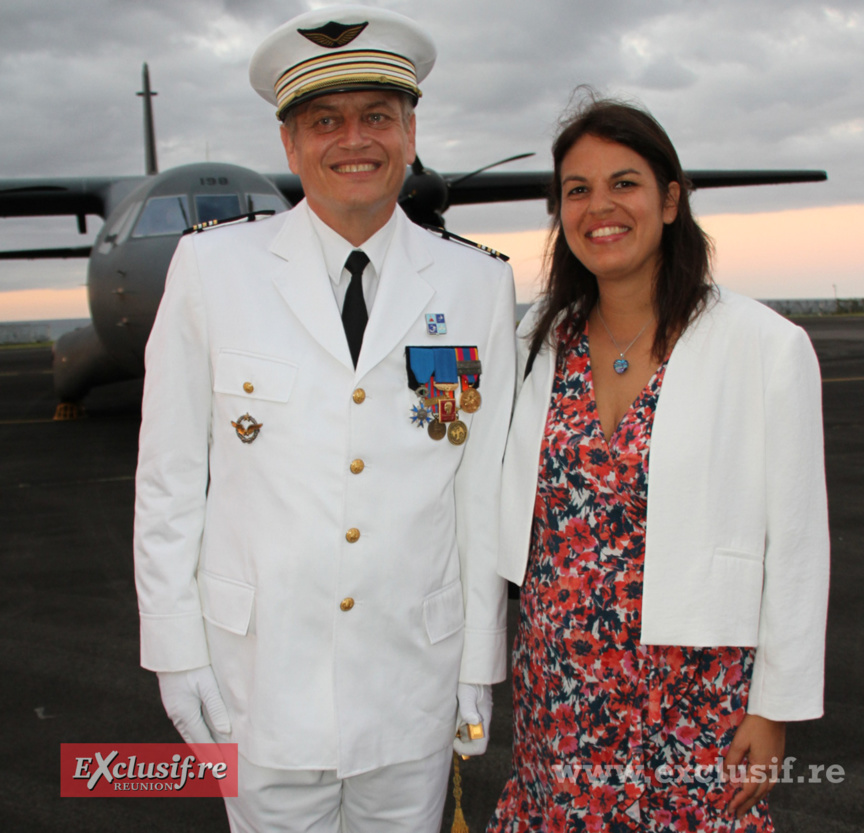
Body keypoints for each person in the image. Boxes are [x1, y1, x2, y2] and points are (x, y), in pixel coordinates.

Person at [133, 6, 516, 832]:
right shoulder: (211, 269)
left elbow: (477, 488)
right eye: (324, 121)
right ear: (289, 144)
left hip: (411, 678)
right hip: (258, 680)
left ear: (411, 133)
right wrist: (174, 650)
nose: (355, 140)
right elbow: (168, 480)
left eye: (378, 116)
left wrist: (476, 663)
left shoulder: (475, 285)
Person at [489, 95, 829, 832]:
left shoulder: (764, 347)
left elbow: (798, 546)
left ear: (671, 199)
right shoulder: (537, 343)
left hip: (693, 691)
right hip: (560, 684)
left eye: (625, 182)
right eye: (576, 190)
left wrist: (774, 707)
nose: (599, 206)